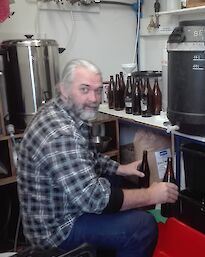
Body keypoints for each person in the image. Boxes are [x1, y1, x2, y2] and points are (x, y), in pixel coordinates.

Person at [17, 59, 179, 257]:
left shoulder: (62, 110)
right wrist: (152, 195)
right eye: (84, 89)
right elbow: (95, 198)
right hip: (56, 231)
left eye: (98, 90)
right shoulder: (61, 134)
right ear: (64, 90)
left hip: (62, 208)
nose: (94, 98)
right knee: (143, 227)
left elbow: (86, 157)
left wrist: (121, 168)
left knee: (113, 180)